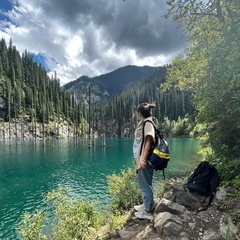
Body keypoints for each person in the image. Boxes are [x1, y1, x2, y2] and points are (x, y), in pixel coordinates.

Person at [134, 102, 156, 220]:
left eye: (137, 112)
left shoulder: (148, 122)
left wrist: (143, 160)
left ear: (140, 113)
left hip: (145, 160)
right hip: (142, 158)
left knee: (145, 185)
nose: (136, 114)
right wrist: (136, 158)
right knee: (145, 183)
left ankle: (147, 212)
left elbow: (148, 141)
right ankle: (146, 205)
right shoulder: (145, 122)